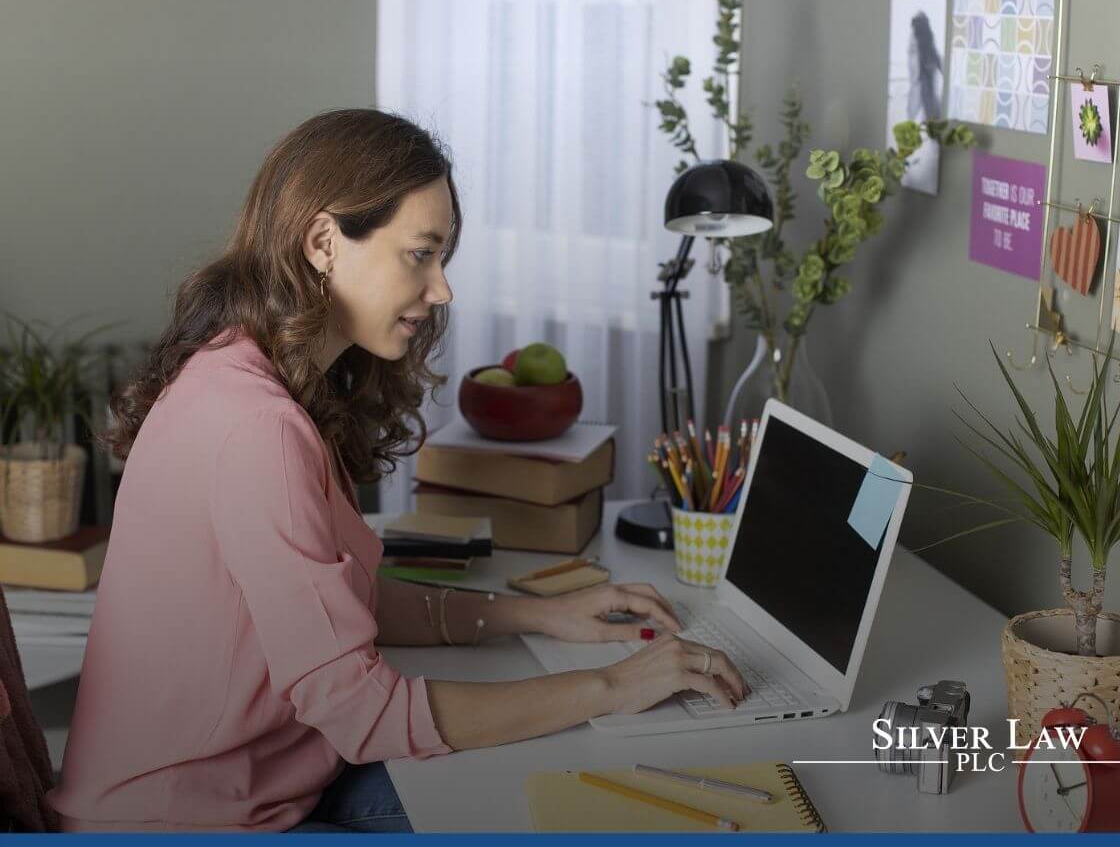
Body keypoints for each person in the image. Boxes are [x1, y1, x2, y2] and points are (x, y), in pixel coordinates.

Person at [46, 109, 747, 832]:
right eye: (421, 253)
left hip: (279, 777)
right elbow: (362, 712)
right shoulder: (254, 427)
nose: (441, 288)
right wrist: (611, 686)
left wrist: (539, 614)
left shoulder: (247, 372)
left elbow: (342, 606)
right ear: (323, 242)